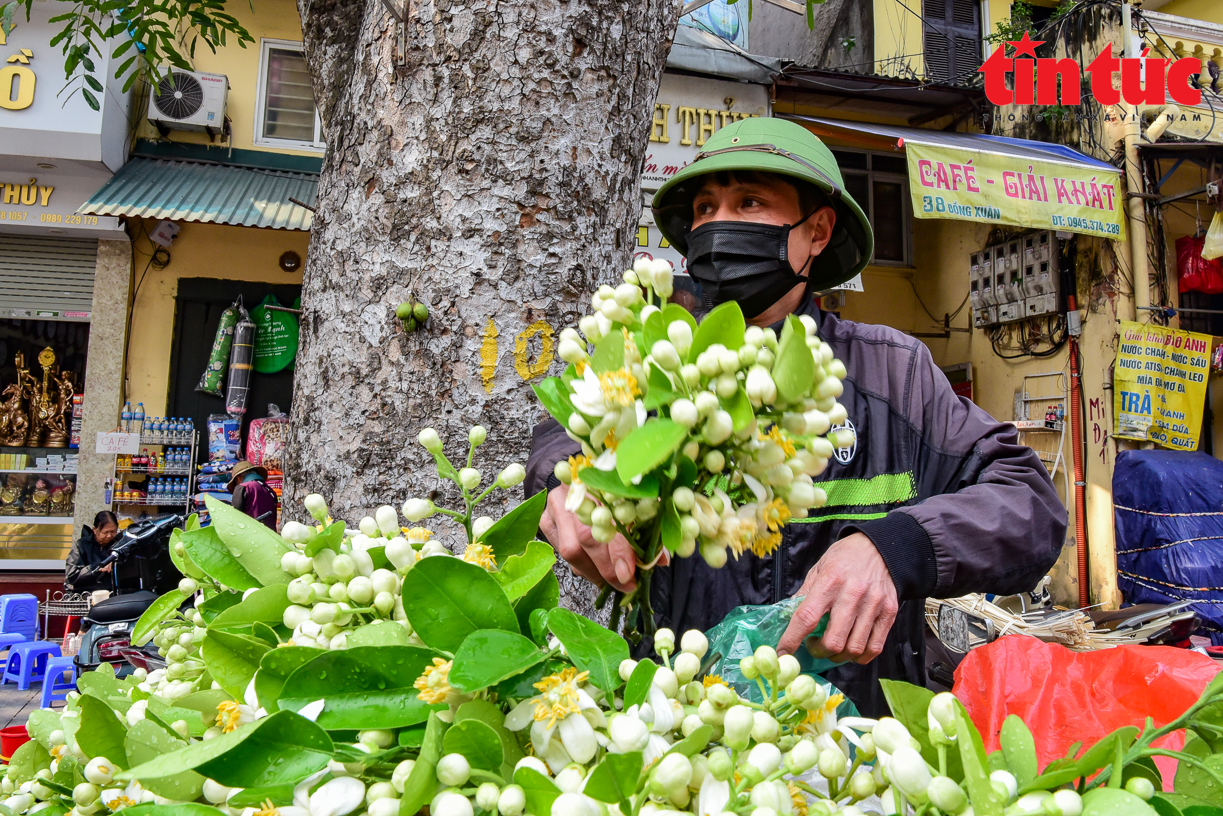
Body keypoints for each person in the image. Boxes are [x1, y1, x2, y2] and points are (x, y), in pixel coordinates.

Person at [525, 118, 1067, 715]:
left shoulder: (892, 373)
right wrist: (569, 483)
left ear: (817, 231)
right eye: (705, 207)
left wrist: (896, 546)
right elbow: (560, 437)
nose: (717, 224)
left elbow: (1029, 505)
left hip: (859, 757)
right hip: (685, 743)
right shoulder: (650, 362)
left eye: (749, 201)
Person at [65, 511, 120, 593]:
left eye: (113, 532)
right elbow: (72, 575)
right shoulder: (81, 545)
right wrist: (97, 567)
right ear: (95, 529)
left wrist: (116, 566)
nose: (109, 536)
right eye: (105, 532)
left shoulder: (118, 545)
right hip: (84, 593)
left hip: (109, 592)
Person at [228, 460, 278, 530]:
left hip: (251, 535)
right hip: (270, 536)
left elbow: (235, 515)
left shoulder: (243, 487)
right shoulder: (270, 491)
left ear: (238, 477)